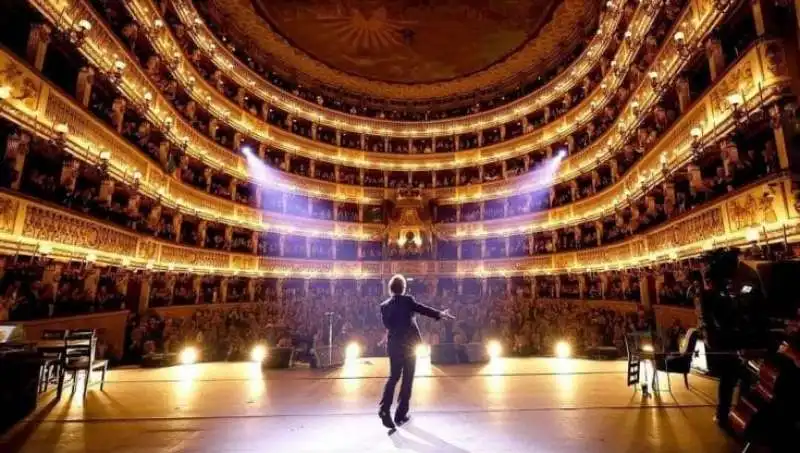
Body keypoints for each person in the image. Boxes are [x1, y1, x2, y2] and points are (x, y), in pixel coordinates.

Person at [378, 274, 454, 430]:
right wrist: (440, 314)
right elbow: (422, 309)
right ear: (404, 288)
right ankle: (400, 415)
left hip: (393, 345)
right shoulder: (408, 300)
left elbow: (388, 326)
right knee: (407, 379)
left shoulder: (384, 306)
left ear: (390, 289)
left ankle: (384, 409)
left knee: (393, 377)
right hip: (409, 346)